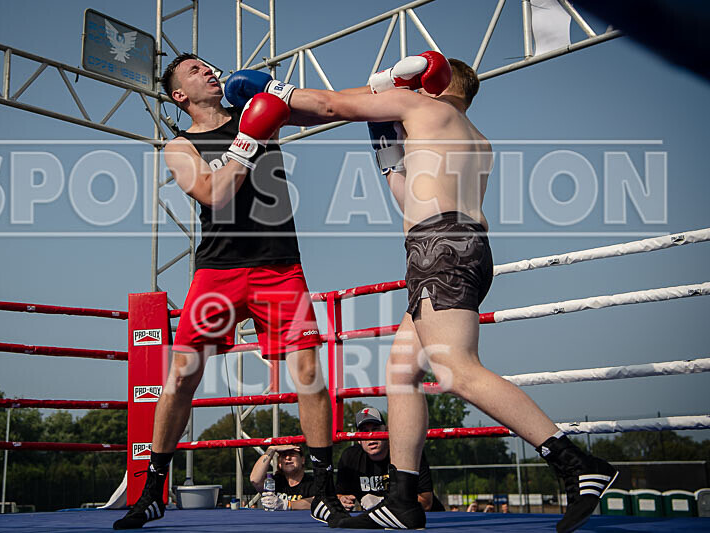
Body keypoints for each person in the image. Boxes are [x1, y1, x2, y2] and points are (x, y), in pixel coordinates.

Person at [225, 52, 618, 532]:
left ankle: (576, 463)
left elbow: (329, 106)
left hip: (440, 250)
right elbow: (408, 196)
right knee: (402, 371)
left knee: (458, 370)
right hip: (457, 248)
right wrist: (385, 149)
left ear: (432, 83)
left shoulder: (420, 106)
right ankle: (403, 499)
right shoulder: (474, 138)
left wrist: (273, 90)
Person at [112, 53, 349, 530]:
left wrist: (385, 90)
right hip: (218, 270)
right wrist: (248, 139)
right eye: (195, 70)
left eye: (208, 65)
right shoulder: (180, 146)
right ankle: (152, 492)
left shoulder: (257, 112)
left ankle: (324, 492)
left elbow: (328, 108)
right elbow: (212, 193)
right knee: (182, 377)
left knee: (309, 373)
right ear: (180, 95)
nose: (209, 71)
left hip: (279, 266)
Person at [336, 407, 440, 512]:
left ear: (386, 430)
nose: (371, 436)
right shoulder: (350, 457)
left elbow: (426, 503)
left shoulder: (407, 453)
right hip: (374, 520)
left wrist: (384, 502)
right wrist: (342, 500)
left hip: (427, 518)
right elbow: (340, 495)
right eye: (365, 431)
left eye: (375, 429)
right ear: (358, 439)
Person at [249, 444, 314, 510]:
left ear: (302, 460)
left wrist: (286, 504)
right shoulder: (273, 483)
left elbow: (316, 502)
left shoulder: (313, 482)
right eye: (284, 455)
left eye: (292, 454)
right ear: (279, 463)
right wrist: (271, 449)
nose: (288, 458)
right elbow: (255, 480)